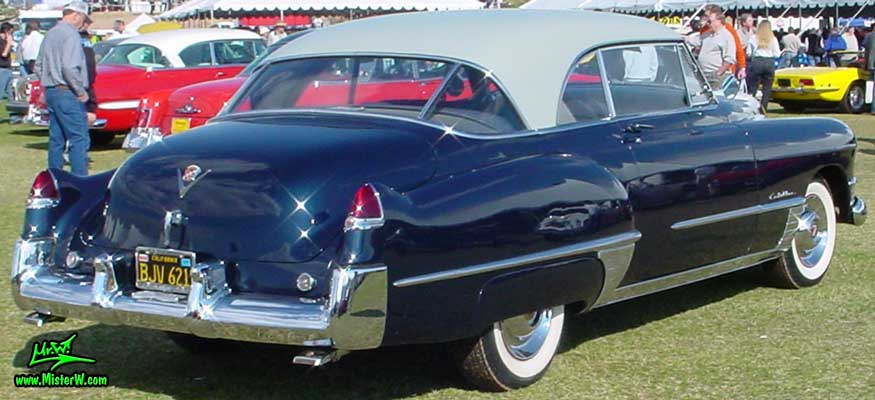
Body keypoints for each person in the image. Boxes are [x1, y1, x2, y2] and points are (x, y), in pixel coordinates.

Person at [34, 2, 91, 176]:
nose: (83, 24)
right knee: (78, 138)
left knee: (56, 139)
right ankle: (80, 180)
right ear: (76, 15)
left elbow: (38, 65)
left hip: (52, 90)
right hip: (67, 91)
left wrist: (47, 82)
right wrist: (80, 91)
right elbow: (69, 67)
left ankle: (54, 178)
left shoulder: (50, 33)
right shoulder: (71, 34)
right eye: (83, 19)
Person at [697, 5, 736, 87]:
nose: (707, 24)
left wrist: (719, 73)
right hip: (702, 74)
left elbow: (730, 58)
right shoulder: (706, 34)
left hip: (716, 76)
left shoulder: (727, 36)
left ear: (718, 21)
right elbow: (695, 41)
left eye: (710, 21)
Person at [746, 20, 780, 112]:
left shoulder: (753, 38)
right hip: (769, 62)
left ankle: (750, 107)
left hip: (757, 61)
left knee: (753, 87)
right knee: (767, 88)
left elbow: (748, 53)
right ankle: (764, 108)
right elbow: (777, 54)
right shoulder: (773, 39)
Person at [0, 22, 15, 101]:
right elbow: (4, 54)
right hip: (2, 69)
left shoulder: (5, 41)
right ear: (6, 31)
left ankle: (13, 110)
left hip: (8, 68)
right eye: (10, 33)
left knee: (11, 93)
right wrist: (9, 43)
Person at [863, 27, 875, 113]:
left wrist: (867, 65)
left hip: (871, 64)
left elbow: (867, 50)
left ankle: (873, 108)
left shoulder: (869, 36)